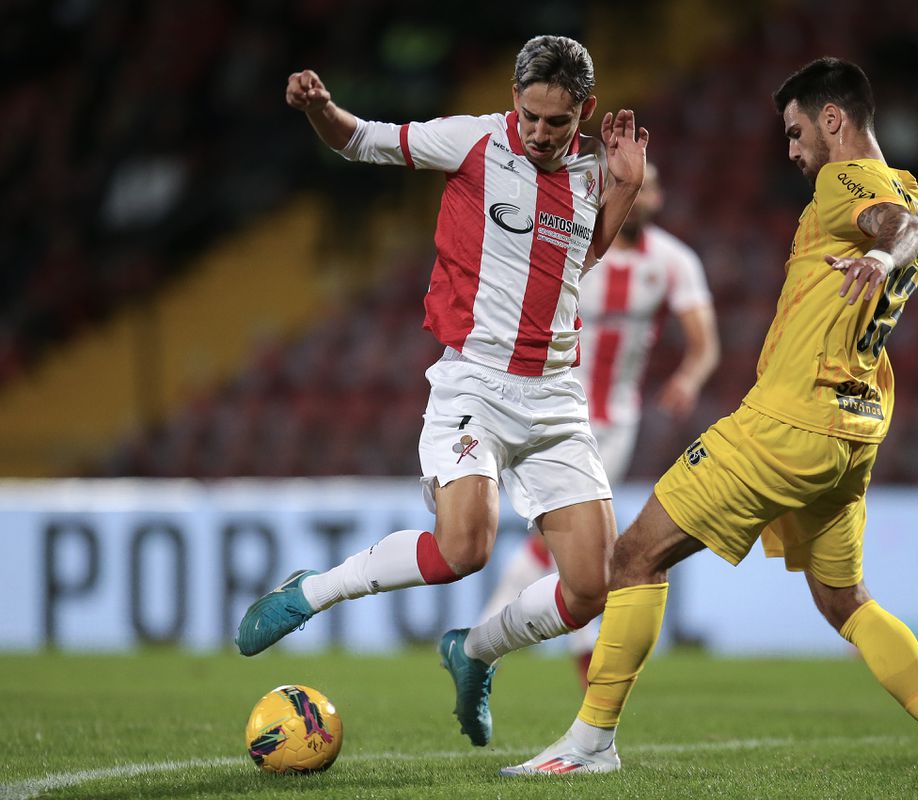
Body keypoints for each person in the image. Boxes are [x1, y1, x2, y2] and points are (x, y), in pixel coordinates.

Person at [500, 21, 918, 779]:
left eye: (796, 129)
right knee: (844, 600)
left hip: (786, 421)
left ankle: (590, 746)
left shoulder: (847, 185)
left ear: (833, 120)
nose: (791, 147)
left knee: (635, 555)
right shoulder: (906, 185)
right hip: (857, 429)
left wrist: (881, 250)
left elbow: (899, 225)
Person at [235, 35, 649, 750]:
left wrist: (623, 189)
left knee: (590, 588)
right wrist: (321, 108)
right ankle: (311, 592)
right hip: (476, 384)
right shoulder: (472, 142)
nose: (541, 134)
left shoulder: (590, 168)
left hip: (554, 397)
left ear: (585, 111)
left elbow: (579, 257)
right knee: (466, 548)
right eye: (530, 116)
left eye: (557, 121)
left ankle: (475, 652)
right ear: (514, 101)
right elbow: (359, 141)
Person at [477, 162, 720, 687]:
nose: (645, 196)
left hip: (615, 422)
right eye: (638, 186)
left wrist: (689, 378)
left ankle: (488, 644)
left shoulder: (674, 261)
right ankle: (488, 644)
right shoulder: (574, 246)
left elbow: (704, 345)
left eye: (653, 188)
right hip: (553, 409)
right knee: (567, 542)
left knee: (568, 542)